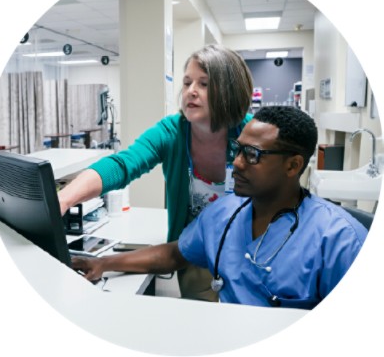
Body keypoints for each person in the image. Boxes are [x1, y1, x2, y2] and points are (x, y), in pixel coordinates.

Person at [72, 106, 368, 310]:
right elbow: (175, 253)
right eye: (239, 149)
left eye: (252, 155)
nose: (237, 162)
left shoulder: (341, 240)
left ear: (293, 165)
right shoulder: (225, 212)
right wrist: (104, 263)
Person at [58, 44, 254, 302]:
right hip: (192, 253)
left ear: (229, 91)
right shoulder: (172, 132)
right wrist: (63, 199)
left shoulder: (252, 135)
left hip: (247, 253)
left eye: (204, 84)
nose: (191, 91)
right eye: (187, 83)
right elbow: (123, 164)